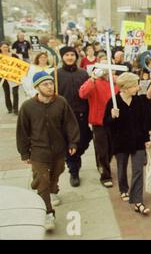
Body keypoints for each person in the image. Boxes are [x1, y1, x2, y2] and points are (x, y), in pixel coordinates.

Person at [16, 71, 80, 231]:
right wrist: (24, 152)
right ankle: (47, 213)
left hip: (59, 149)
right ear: (37, 87)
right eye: (45, 84)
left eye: (51, 83)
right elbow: (22, 131)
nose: (50, 86)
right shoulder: (27, 107)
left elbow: (70, 124)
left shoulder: (61, 102)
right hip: (38, 151)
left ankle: (51, 189)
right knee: (43, 180)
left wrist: (73, 142)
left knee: (57, 171)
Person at [104, 73, 151, 215]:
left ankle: (138, 201)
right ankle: (123, 189)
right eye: (135, 85)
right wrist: (112, 116)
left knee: (138, 170)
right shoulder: (113, 102)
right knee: (122, 166)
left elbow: (143, 122)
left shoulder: (138, 101)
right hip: (120, 142)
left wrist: (146, 139)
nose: (138, 87)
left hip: (137, 141)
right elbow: (105, 123)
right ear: (125, 88)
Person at [53, 46, 91, 187]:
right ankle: (73, 171)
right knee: (70, 144)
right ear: (62, 57)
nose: (70, 57)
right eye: (67, 55)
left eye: (72, 55)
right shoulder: (56, 74)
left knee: (82, 142)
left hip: (81, 114)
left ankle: (75, 159)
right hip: (63, 116)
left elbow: (89, 95)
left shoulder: (83, 74)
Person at [79, 57, 118, 188]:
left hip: (113, 120)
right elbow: (82, 94)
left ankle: (103, 163)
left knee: (112, 148)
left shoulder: (115, 82)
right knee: (102, 149)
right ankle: (105, 174)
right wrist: (92, 79)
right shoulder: (93, 81)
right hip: (98, 120)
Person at [1, 41, 20, 114]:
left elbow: (20, 64)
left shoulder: (13, 55)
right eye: (3, 47)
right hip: (4, 78)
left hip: (14, 77)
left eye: (6, 47)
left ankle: (16, 109)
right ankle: (9, 108)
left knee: (15, 93)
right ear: (0, 48)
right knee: (7, 93)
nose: (5, 48)